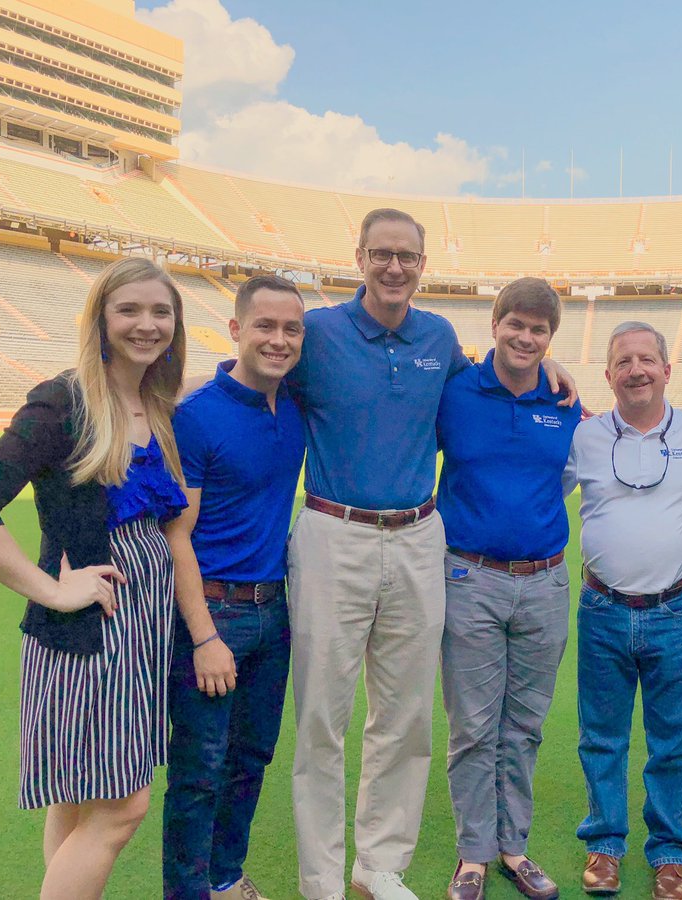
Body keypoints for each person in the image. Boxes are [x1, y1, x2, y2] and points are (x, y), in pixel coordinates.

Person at [286, 209, 576, 900]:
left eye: (407, 257)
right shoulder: (320, 332)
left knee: (407, 714)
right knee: (324, 713)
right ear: (358, 256)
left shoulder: (439, 337)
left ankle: (377, 866)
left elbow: (492, 376)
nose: (394, 267)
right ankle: (323, 877)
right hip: (335, 529)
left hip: (420, 536)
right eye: (382, 254)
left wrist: (547, 361)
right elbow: (259, 372)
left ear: (423, 264)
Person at [0, 257, 188, 898]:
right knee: (122, 807)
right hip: (90, 634)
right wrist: (52, 589)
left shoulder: (154, 403)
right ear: (101, 319)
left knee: (75, 802)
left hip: (139, 632)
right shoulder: (65, 401)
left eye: (161, 311)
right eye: (128, 309)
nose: (147, 324)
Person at [562, 321, 682, 900]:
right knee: (601, 735)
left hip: (674, 609)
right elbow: (544, 493)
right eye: (624, 362)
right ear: (608, 375)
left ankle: (669, 851)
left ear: (666, 369)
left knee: (671, 738)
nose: (636, 370)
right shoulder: (585, 438)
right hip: (602, 606)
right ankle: (604, 844)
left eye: (646, 359)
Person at [162, 275, 306, 899]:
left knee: (251, 761)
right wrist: (203, 637)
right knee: (199, 774)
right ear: (236, 331)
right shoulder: (196, 417)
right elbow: (177, 536)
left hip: (275, 615)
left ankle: (224, 878)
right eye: (265, 326)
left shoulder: (296, 403)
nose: (278, 340)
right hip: (215, 613)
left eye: (291, 329)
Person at [436, 277, 581, 900]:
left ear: (551, 338)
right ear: (495, 325)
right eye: (515, 324)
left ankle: (513, 847)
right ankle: (472, 853)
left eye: (539, 329)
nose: (526, 337)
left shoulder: (565, 401)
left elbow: (572, 476)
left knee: (524, 725)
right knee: (472, 725)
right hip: (469, 578)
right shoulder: (453, 393)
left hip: (545, 584)